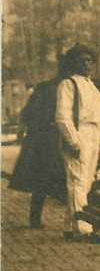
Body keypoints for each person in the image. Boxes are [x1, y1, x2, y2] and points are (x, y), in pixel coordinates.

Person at [9, 56, 72, 228]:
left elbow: (28, 113)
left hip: (49, 138)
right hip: (50, 139)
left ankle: (37, 219)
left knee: (43, 182)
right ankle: (68, 220)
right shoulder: (60, 88)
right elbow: (30, 113)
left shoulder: (47, 87)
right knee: (53, 180)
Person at [55, 44, 100, 240]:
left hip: (93, 135)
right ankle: (83, 229)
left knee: (85, 183)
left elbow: (97, 120)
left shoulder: (92, 86)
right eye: (82, 60)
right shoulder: (68, 85)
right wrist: (74, 142)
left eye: (89, 60)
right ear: (73, 62)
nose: (86, 64)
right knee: (77, 181)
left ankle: (70, 225)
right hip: (78, 134)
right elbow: (62, 117)